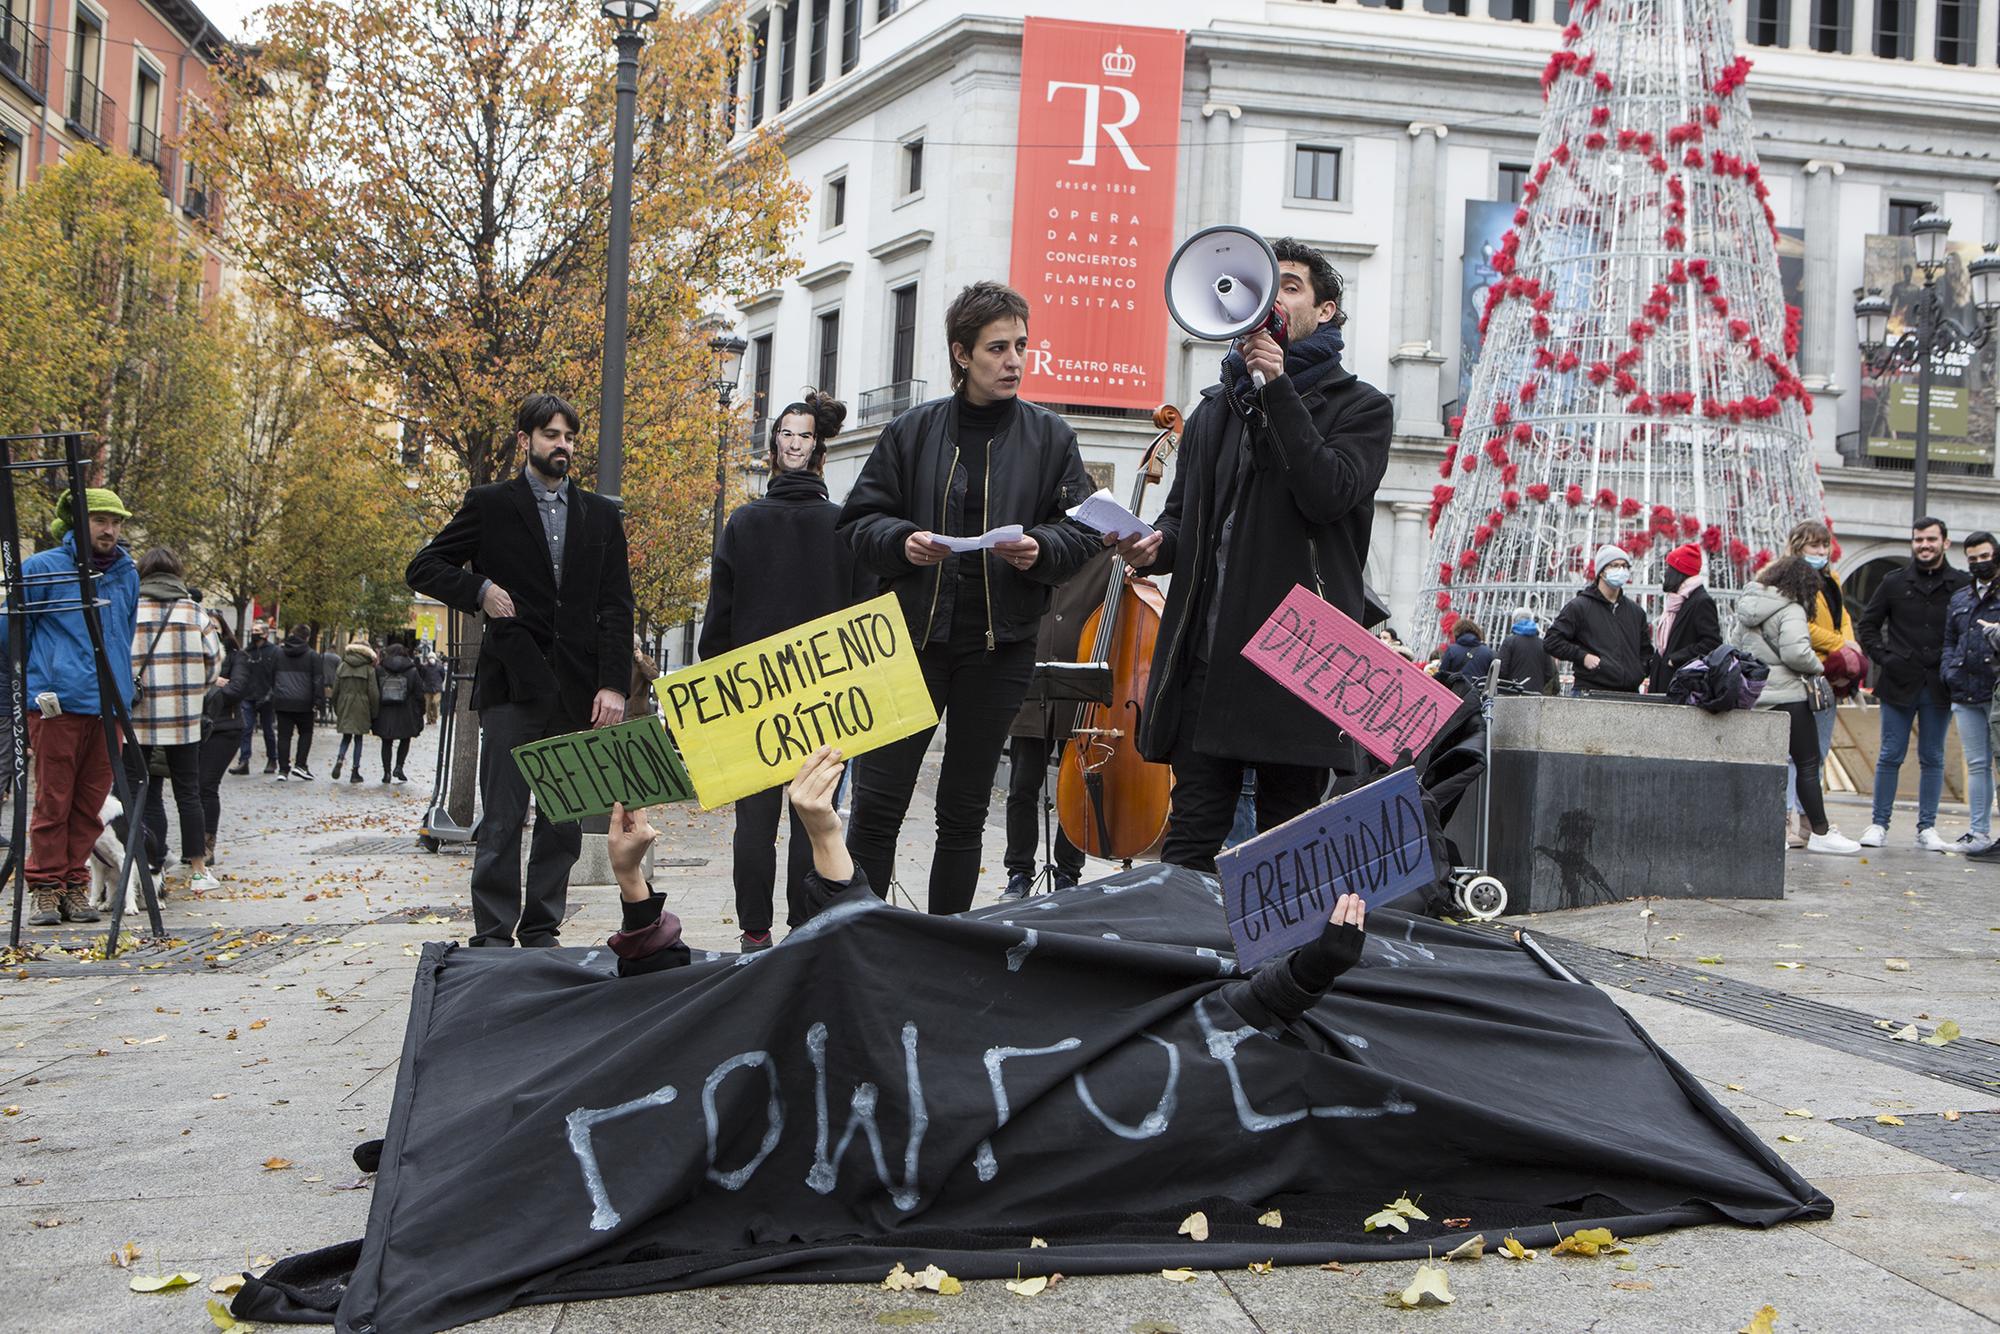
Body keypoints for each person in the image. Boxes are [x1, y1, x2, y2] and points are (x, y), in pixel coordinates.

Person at [838, 282, 1116, 913]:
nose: (1014, 360)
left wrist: (1042, 548)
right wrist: (902, 541)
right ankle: (859, 937)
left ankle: (948, 945)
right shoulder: (911, 431)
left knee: (963, 812)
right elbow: (857, 523)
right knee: (877, 808)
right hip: (908, 643)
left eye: (1021, 345)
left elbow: (1084, 530)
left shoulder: (1051, 437)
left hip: (1000, 649)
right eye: (998, 348)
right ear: (962, 354)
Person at [1130, 238, 1391, 873]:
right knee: (1189, 839)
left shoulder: (1362, 407)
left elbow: (1328, 493)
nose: (1272, 297)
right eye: (1263, 284)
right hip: (1208, 655)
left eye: (1290, 286)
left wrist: (1277, 389)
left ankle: (1278, 947)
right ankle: (1182, 939)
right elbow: (1184, 517)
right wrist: (1153, 545)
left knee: (1285, 845)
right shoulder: (1214, 410)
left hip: (1298, 657)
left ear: (1325, 311)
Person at [406, 391, 635, 948]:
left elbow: (616, 606)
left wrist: (613, 684)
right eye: (552, 435)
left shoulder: (601, 515)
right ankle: (492, 933)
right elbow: (424, 566)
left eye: (570, 437)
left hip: (579, 690)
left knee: (563, 820)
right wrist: (480, 589)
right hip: (512, 682)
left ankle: (541, 928)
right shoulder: (489, 504)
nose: (563, 446)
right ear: (525, 440)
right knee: (503, 815)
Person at [702, 390, 872, 947]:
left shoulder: (743, 523)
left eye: (801, 435)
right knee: (814, 817)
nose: (795, 443)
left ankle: (755, 935)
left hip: (753, 697)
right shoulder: (844, 526)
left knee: (753, 824)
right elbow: (866, 616)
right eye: (789, 434)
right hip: (825, 698)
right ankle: (805, 928)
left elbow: (718, 623)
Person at [6, 488, 139, 925]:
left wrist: (122, 691)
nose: (109, 530)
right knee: (54, 799)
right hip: (58, 705)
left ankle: (74, 883)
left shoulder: (125, 572)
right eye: (100, 520)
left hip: (108, 706)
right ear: (76, 522)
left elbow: (124, 634)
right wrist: (43, 676)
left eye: (115, 522)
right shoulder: (43, 567)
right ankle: (46, 886)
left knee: (90, 803)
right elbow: (11, 632)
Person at [1000, 547, 1117, 901]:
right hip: (1031, 684)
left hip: (1082, 692)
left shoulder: (1109, 556)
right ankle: (1019, 872)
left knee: (1075, 789)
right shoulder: (1037, 543)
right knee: (1022, 786)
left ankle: (1068, 872)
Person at [1856, 516, 1968, 851]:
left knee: (1932, 757)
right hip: (1898, 682)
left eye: (1931, 539)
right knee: (1890, 754)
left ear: (1945, 543)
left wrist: (1955, 666)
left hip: (1939, 684)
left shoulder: (1961, 584)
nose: (1924, 545)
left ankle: (1927, 827)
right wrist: (1885, 657)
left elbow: (1968, 630)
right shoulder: (1893, 582)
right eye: (1919, 540)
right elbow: (1868, 625)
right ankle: (1879, 823)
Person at [1734, 557, 1859, 855]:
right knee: (1807, 764)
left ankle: (1766, 831)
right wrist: (1819, 667)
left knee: (1764, 766)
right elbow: (1797, 653)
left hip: (1756, 696)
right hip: (1789, 696)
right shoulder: (1791, 609)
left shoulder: (1749, 606)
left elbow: (1736, 647)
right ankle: (1820, 832)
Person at [122, 547, 222, 893]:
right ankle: (198, 871)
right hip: (183, 718)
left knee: (140, 792)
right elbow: (214, 664)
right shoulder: (194, 612)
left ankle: (149, 866)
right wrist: (191, 692)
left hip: (137, 718)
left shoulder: (130, 610)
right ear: (177, 573)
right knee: (188, 793)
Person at [1785, 521, 1861, 848]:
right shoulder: (1790, 581)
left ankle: (1807, 824)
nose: (1821, 551)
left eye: (1824, 545)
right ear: (1798, 547)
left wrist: (1848, 648)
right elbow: (1801, 626)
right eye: (1814, 545)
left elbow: (1843, 618)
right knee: (1794, 755)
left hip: (1827, 677)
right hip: (1802, 672)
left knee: (1817, 753)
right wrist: (1841, 645)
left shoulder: (1833, 579)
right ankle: (1790, 821)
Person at [1941, 529, 2000, 850]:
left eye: (1985, 556)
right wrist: (1948, 671)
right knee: (1977, 764)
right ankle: (1978, 833)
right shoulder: (1961, 597)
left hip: (1996, 691)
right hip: (1965, 690)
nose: (1979, 563)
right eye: (1973, 558)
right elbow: (1950, 640)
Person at [1546, 545, 1652, 694]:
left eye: (1625, 566)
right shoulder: (1580, 607)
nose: (1621, 570)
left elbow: (1646, 651)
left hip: (1629, 693)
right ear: (1601, 572)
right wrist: (1582, 657)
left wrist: (1638, 671)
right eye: (1615, 565)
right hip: (1590, 691)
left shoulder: (1636, 612)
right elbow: (1552, 641)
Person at [198, 613, 245, 869]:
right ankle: (193, 844)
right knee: (192, 788)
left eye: (214, 627)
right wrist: (212, 680)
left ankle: (207, 845)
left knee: (207, 784)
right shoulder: (194, 655)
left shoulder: (236, 657)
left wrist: (206, 684)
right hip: (195, 727)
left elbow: (236, 689)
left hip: (225, 728)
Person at [1647, 543, 1722, 693]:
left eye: (1669, 568)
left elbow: (1712, 643)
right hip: (1665, 680)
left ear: (1678, 572)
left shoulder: (1701, 601)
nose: (1665, 573)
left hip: (1682, 685)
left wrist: (1675, 659)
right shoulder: (1677, 600)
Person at [269, 626, 324, 780]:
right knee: (305, 733)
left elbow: (271, 676)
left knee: (284, 736)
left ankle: (283, 769)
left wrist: (276, 694)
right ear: (307, 637)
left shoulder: (279, 653)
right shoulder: (312, 655)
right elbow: (318, 679)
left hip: (283, 701)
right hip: (304, 702)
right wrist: (318, 701)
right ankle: (300, 764)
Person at [231, 622, 280, 775]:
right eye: (253, 630)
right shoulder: (247, 652)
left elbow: (277, 674)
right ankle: (244, 761)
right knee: (246, 728)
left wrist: (271, 693)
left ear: (265, 634)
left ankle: (272, 759)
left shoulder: (274, 651)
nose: (254, 633)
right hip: (248, 695)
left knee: (268, 730)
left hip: (267, 696)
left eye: (257, 630)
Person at [329, 639, 381, 784]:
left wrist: (337, 707)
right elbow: (373, 694)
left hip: (345, 704)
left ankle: (340, 758)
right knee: (358, 739)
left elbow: (335, 690)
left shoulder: (342, 666)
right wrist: (374, 712)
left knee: (346, 737)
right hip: (362, 706)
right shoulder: (369, 669)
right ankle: (355, 771)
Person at [373, 637, 425, 783]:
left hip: (385, 711)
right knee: (405, 739)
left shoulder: (380, 669)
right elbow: (419, 694)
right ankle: (399, 766)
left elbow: (374, 690)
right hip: (406, 712)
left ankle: (386, 773)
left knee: (386, 741)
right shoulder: (412, 670)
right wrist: (421, 711)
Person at [1496, 606, 1559, 695]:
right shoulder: (1542, 644)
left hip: (1513, 693)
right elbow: (1549, 673)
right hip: (1536, 695)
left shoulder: (1509, 642)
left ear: (1514, 621)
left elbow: (1502, 670)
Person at [1437, 619, 1496, 689]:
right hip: (1477, 692)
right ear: (1477, 632)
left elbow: (1442, 675)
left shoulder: (1451, 650)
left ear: (1457, 632)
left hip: (1455, 691)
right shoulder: (1488, 652)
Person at [418, 648, 447, 727]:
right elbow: (422, 676)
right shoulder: (425, 667)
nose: (431, 659)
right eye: (430, 657)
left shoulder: (440, 667)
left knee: (435, 702)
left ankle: (434, 718)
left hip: (437, 688)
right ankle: (429, 719)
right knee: (427, 705)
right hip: (427, 688)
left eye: (432, 657)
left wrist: (439, 683)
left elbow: (443, 676)